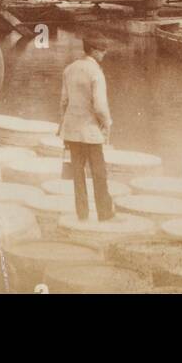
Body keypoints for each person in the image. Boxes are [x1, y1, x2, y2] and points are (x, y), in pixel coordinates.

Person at [59, 32, 114, 222]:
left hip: (72, 129)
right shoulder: (96, 72)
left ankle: (82, 213)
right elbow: (99, 106)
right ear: (94, 51)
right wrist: (107, 123)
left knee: (78, 173)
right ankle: (104, 214)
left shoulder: (69, 69)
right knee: (99, 173)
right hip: (91, 131)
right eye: (102, 50)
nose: (104, 54)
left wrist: (62, 125)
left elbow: (64, 101)